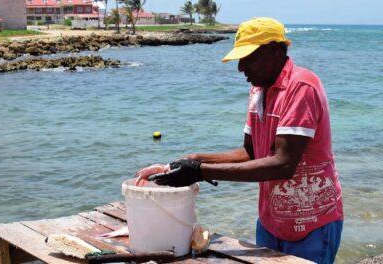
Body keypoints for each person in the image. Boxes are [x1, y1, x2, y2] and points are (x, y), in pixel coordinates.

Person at [143, 17, 344, 264]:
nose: (241, 68)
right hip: (271, 222)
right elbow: (250, 152)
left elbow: (283, 164)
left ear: (275, 51)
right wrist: (193, 160)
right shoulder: (258, 90)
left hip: (311, 224)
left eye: (248, 57)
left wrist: (200, 172)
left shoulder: (301, 87)